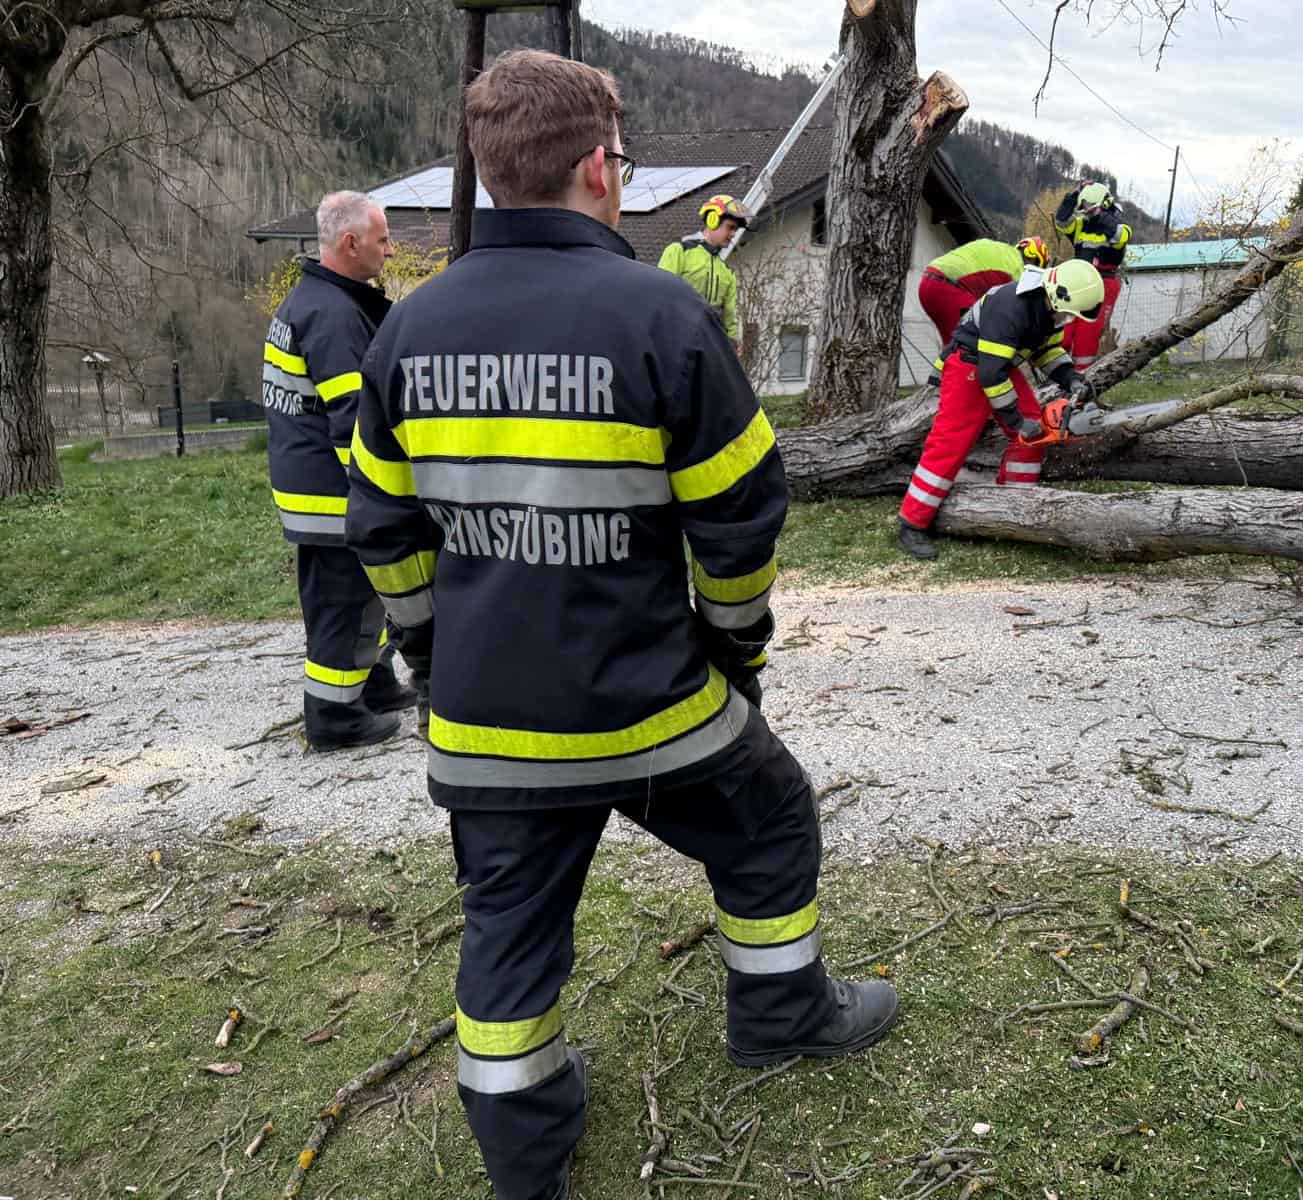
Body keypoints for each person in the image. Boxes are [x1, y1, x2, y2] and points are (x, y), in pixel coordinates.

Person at [344, 49, 898, 1200]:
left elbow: (384, 535)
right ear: (599, 166)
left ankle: (524, 1158)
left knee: (507, 934)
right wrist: (733, 650)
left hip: (488, 725)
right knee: (769, 818)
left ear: (488, 170)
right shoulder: (663, 315)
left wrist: (434, 661)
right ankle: (781, 1012)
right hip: (653, 709)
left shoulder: (405, 331)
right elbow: (739, 518)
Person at [261, 190, 416, 750]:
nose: (390, 251)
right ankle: (333, 717)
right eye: (382, 240)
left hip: (314, 489)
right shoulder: (332, 316)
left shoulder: (316, 301)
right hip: (333, 496)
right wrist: (385, 492)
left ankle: (369, 683)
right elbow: (353, 420)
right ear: (351, 243)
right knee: (342, 604)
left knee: (363, 597)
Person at [897, 259, 1105, 561]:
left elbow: (1047, 352)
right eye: (1069, 313)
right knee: (950, 442)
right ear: (1056, 294)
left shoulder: (1051, 312)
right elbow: (990, 375)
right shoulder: (1011, 306)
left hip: (999, 365)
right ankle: (913, 522)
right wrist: (1015, 422)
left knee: (1036, 430)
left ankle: (1016, 504)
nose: (1068, 319)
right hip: (968, 364)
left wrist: (1071, 378)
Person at [1053, 180, 1132, 370]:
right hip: (1079, 282)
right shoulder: (1081, 224)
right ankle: (1056, 372)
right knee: (1064, 331)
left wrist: (1099, 216)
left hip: (1104, 284)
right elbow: (1062, 221)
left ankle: (1083, 376)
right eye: (1085, 209)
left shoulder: (1118, 226)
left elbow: (1119, 237)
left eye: (1089, 208)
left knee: (1087, 337)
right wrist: (1073, 196)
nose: (1086, 213)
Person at [918, 235, 1051, 346]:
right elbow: (1019, 314)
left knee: (951, 348)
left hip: (928, 282)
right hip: (949, 290)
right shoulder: (1018, 269)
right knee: (974, 346)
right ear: (1035, 260)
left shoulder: (1002, 251)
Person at [657, 193, 749, 348]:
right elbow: (659, 295)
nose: (733, 234)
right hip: (675, 340)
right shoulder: (679, 252)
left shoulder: (727, 272)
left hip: (709, 347)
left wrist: (733, 343)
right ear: (713, 220)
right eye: (730, 227)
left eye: (736, 229)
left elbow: (730, 316)